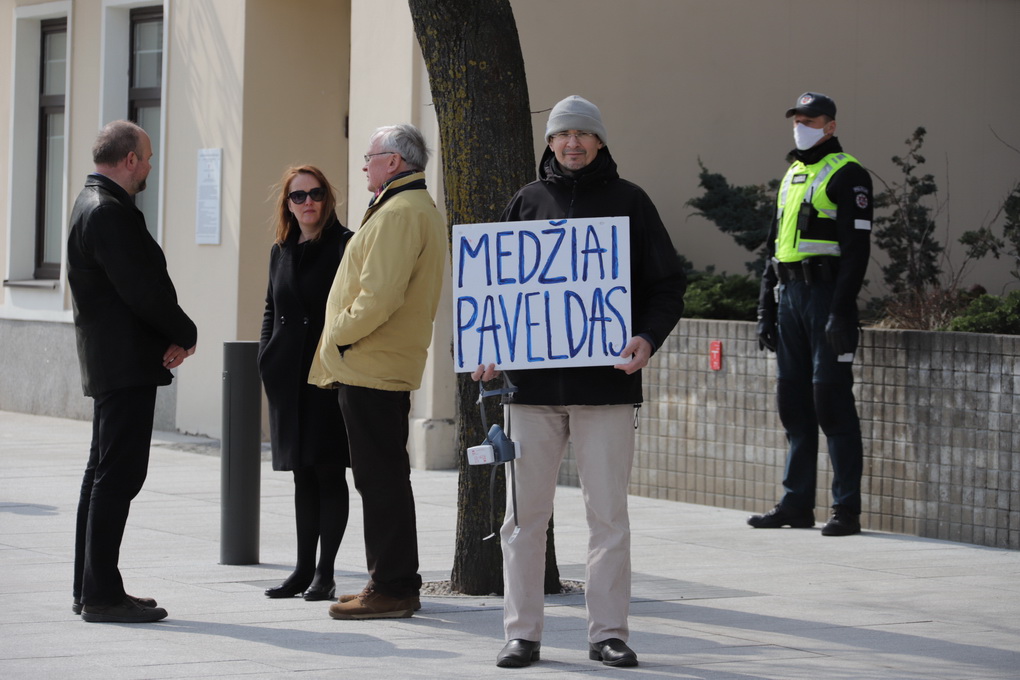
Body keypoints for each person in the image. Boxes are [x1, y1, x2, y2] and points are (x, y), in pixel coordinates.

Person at [473, 95, 687, 669]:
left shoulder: (631, 202)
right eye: (562, 134)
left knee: (608, 519)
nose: (572, 143)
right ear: (549, 142)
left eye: (582, 135)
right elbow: (495, 289)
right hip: (531, 392)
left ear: (599, 142)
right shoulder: (527, 201)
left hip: (607, 389)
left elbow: (668, 285)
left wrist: (647, 337)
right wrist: (486, 349)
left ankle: (608, 633)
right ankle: (522, 632)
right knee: (522, 519)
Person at [308, 124, 448, 620]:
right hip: (379, 362)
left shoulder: (400, 212)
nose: (364, 165)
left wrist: (338, 334)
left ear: (392, 161)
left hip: (372, 363)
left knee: (380, 479)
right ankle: (392, 581)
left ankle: (391, 587)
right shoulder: (406, 208)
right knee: (382, 477)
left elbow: (379, 296)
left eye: (369, 157)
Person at [68, 120, 197, 623]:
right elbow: (139, 288)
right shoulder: (107, 211)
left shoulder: (95, 202)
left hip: (115, 362)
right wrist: (184, 331)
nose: (147, 167)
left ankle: (93, 586)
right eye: (145, 158)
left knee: (102, 474)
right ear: (128, 160)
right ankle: (100, 594)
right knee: (117, 477)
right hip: (122, 364)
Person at [748, 92, 872, 537]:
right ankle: (796, 505)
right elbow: (772, 250)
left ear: (830, 126)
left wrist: (841, 312)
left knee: (832, 404)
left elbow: (857, 252)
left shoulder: (848, 174)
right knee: (794, 408)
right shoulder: (793, 173)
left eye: (811, 119)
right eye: (797, 119)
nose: (802, 125)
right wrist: (765, 309)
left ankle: (846, 510)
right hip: (790, 297)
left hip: (825, 297)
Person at [259, 166, 353, 601]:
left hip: (327, 377)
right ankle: (301, 569)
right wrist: (267, 357)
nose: (308, 202)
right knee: (301, 476)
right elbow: (269, 308)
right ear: (288, 204)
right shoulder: (281, 249)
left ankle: (326, 572)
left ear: (327, 198)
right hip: (287, 377)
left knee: (328, 472)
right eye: (299, 196)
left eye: (316, 193)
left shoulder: (344, 245)